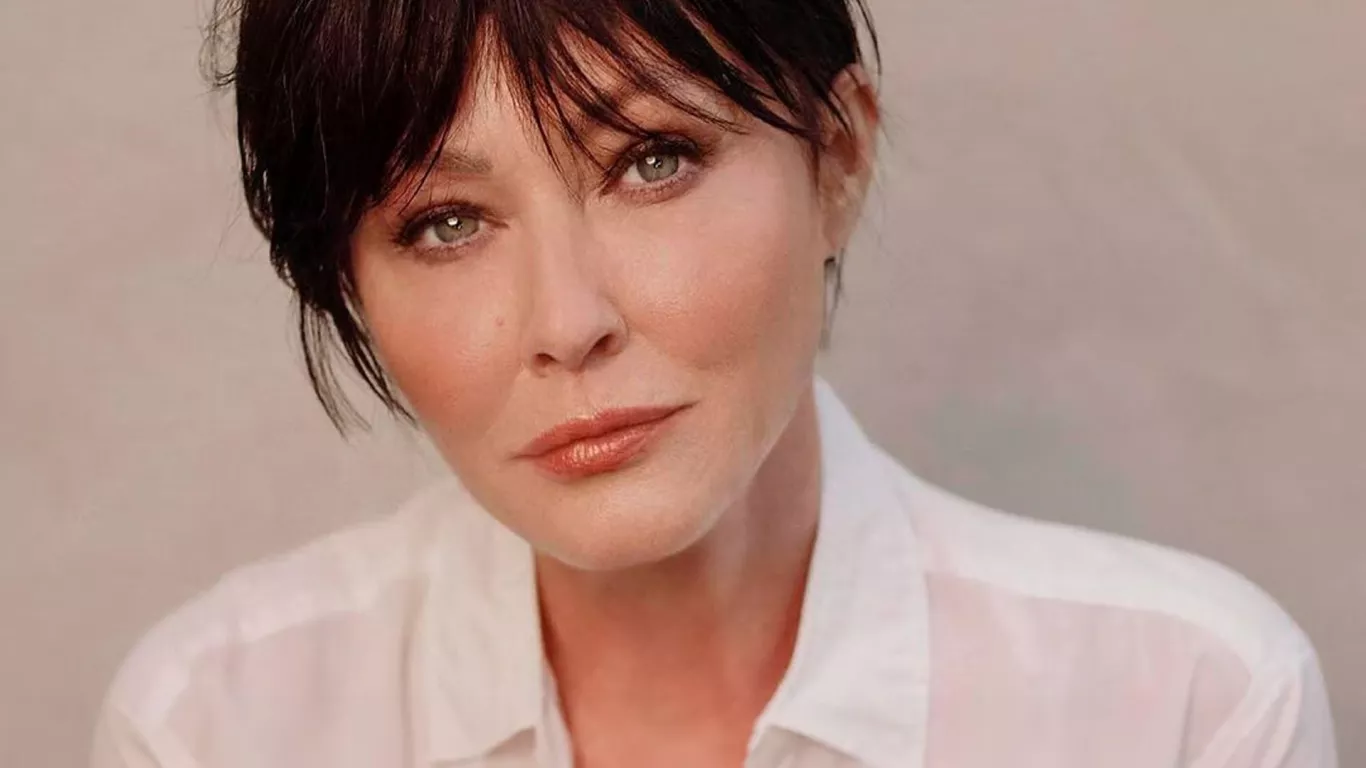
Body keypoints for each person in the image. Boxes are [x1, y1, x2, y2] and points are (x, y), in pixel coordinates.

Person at [91, 1, 1337, 766]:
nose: (567, 323)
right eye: (445, 223)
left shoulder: (1182, 706)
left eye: (652, 159)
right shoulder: (215, 726)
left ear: (835, 157)